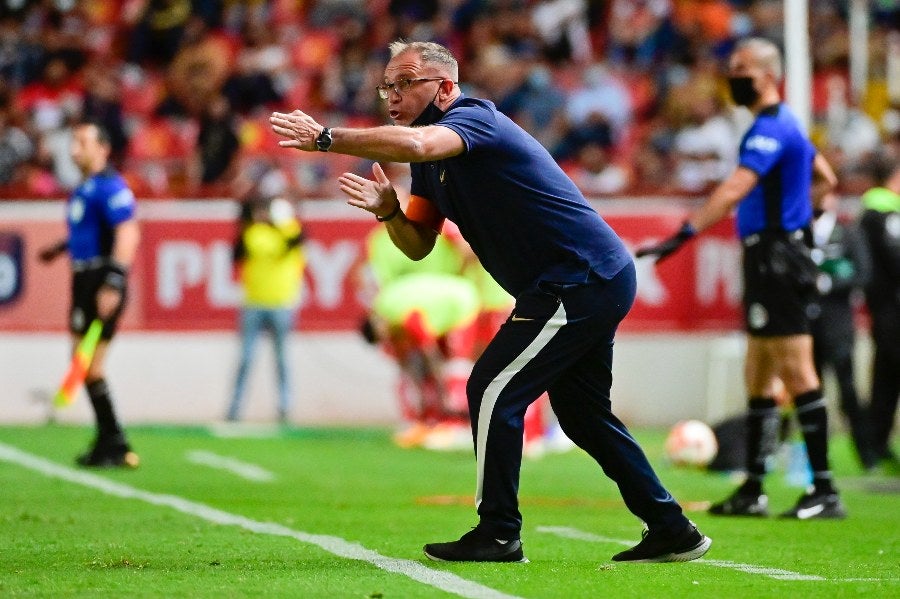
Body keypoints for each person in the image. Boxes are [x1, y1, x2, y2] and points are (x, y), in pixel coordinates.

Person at [271, 40, 710, 563]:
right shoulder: (431, 162)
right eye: (386, 85)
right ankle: (670, 527)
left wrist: (325, 138)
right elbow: (418, 245)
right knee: (583, 416)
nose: (392, 95)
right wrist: (389, 210)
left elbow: (419, 146)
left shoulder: (475, 119)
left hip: (579, 277)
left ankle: (499, 532)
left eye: (405, 83)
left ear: (446, 88)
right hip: (579, 280)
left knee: (492, 388)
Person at [637, 38, 845, 518]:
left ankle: (826, 491)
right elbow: (827, 178)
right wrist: (804, 215)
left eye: (741, 68)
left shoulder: (769, 129)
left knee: (796, 370)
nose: (733, 76)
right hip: (773, 253)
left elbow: (735, 189)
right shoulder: (786, 126)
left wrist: (682, 234)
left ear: (769, 75)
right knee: (758, 371)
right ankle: (754, 486)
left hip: (775, 254)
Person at [38, 120, 140, 468]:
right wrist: (60, 248)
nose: (73, 149)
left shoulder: (110, 186)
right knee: (82, 364)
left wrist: (113, 281)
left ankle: (115, 442)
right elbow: (89, 232)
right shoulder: (86, 188)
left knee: (90, 365)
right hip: (84, 279)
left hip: (100, 280)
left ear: (103, 148)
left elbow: (127, 232)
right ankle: (109, 440)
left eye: (82, 142)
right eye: (73, 142)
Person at [810, 194, 877, 470]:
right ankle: (811, 457)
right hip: (805, 325)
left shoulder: (847, 233)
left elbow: (864, 273)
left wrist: (830, 283)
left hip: (837, 324)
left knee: (847, 390)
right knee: (807, 393)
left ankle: (867, 454)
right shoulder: (797, 232)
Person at [227, 196, 305, 423]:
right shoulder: (256, 233)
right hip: (255, 302)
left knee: (281, 359)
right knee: (246, 358)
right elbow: (241, 248)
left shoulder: (289, 231)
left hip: (281, 303)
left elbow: (297, 238)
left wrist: (281, 221)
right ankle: (235, 407)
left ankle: (284, 407)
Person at [857, 158, 900, 467]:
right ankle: (876, 443)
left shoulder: (871, 212)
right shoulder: (884, 212)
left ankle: (877, 442)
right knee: (887, 375)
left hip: (883, 308)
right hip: (891, 308)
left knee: (885, 376)